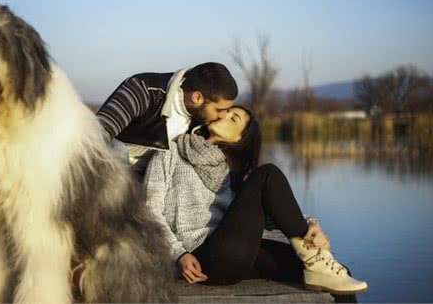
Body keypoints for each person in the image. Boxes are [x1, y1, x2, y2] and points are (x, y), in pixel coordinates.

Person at [143, 106, 368, 294]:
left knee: (341, 274)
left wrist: (311, 224)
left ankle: (317, 261)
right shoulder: (170, 150)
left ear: (240, 138)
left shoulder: (233, 172)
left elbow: (272, 218)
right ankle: (316, 259)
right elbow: (148, 211)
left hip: (235, 252)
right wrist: (178, 254)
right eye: (225, 111)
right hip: (198, 257)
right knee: (267, 173)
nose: (223, 115)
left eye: (233, 118)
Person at [96, 62, 238, 172]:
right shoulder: (142, 89)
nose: (224, 115)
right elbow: (99, 134)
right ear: (197, 98)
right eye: (220, 109)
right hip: (115, 177)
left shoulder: (202, 123)